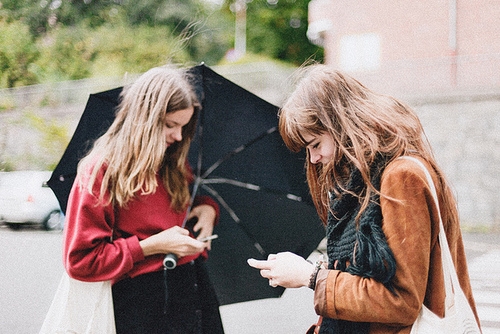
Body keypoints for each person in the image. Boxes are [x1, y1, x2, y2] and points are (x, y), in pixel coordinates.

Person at [248, 64, 481, 333]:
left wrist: (310, 277)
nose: (313, 159)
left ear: (341, 125)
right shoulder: (360, 182)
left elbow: (400, 301)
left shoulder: (400, 177)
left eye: (315, 144)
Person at [63, 66, 225, 334]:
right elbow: (81, 261)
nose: (177, 136)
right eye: (170, 125)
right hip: (141, 302)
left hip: (193, 287)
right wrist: (149, 246)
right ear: (143, 119)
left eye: (183, 127)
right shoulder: (101, 171)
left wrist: (208, 210)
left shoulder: (172, 162)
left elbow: (186, 202)